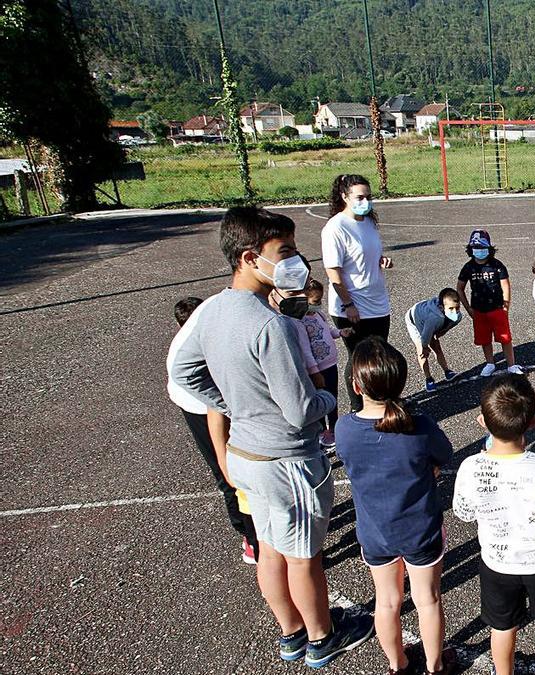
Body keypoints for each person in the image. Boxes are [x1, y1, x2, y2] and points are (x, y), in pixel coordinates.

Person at [170, 206, 373, 667]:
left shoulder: (212, 310)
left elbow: (182, 370)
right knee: (303, 555)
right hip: (286, 460)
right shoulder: (271, 326)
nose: (295, 261)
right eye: (284, 252)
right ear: (248, 257)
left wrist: (232, 404)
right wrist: (327, 398)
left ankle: (291, 633)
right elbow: (301, 408)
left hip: (245, 453)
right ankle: (322, 637)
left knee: (269, 548)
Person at [336, 337, 456, 675]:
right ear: (401, 382)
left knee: (387, 602)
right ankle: (435, 666)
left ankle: (397, 664)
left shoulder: (345, 429)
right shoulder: (419, 426)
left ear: (357, 385)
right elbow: (443, 454)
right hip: (421, 529)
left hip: (375, 532)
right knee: (428, 600)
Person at [453, 374, 535, 675]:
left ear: (482, 422)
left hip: (498, 562)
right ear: (533, 421)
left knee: (502, 626)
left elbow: (463, 512)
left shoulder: (470, 467)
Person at [167, 296, 258, 564]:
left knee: (237, 469)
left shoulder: (226, 313)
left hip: (219, 400)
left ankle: (256, 531)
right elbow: (189, 379)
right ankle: (250, 537)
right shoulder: (207, 347)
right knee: (229, 474)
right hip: (201, 404)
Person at [323, 173, 394, 412]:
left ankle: (380, 400)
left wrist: (381, 259)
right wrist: (348, 304)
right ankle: (358, 408)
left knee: (379, 355)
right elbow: (334, 272)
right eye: (359, 197)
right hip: (352, 307)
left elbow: (365, 255)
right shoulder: (335, 227)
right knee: (358, 359)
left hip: (377, 302)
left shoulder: (369, 222)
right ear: (344, 196)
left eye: (368, 197)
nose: (365, 201)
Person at [458, 229, 522, 377]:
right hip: (478, 310)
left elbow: (505, 285)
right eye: (476, 248)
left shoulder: (497, 265)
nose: (479, 251)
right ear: (470, 249)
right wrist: (468, 308)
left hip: (497, 308)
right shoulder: (468, 267)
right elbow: (460, 288)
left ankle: (511, 364)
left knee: (505, 337)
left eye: (482, 247)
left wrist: (506, 305)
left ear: (489, 248)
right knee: (484, 338)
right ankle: (490, 363)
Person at [301, 279, 353, 447]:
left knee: (333, 397)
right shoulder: (301, 322)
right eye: (316, 301)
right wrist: (314, 371)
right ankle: (323, 431)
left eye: (320, 300)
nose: (319, 304)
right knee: (320, 400)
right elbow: (306, 350)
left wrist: (339, 332)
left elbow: (327, 331)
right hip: (317, 369)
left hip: (330, 363)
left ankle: (334, 427)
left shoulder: (318, 314)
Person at [404, 289, 462, 392]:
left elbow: (445, 328)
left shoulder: (458, 316)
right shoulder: (434, 318)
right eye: (451, 309)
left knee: (437, 346)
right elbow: (424, 338)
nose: (455, 312)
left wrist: (438, 334)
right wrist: (425, 347)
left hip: (429, 321)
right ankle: (428, 379)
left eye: (457, 308)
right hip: (414, 320)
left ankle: (447, 372)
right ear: (441, 307)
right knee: (422, 352)